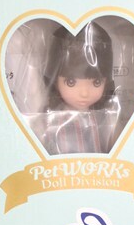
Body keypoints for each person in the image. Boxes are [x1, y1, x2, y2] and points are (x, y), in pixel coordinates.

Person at [41, 22, 120, 155]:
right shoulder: (52, 119)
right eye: (71, 82)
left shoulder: (105, 118)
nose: (84, 93)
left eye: (96, 82)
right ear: (54, 81)